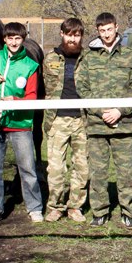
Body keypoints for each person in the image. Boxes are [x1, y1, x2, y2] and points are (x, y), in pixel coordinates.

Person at [76, 12, 132, 228]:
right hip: (97, 125)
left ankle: (129, 212)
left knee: (126, 173)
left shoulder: (130, 55)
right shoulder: (89, 57)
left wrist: (120, 110)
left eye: (109, 29)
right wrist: (100, 111)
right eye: (102, 30)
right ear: (97, 31)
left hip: (122, 124)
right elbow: (82, 88)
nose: (106, 34)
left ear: (117, 27)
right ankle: (100, 211)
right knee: (98, 172)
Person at [0, 22, 44, 225]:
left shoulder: (30, 65)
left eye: (18, 38)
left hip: (20, 123)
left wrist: (15, 101)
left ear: (23, 39)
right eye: (10, 38)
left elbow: (33, 96)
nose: (14, 42)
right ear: (4, 40)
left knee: (27, 168)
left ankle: (34, 207)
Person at [42, 18, 89, 223]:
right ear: (62, 34)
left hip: (82, 120)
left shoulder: (88, 58)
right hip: (57, 120)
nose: (72, 39)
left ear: (81, 36)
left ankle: (75, 207)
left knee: (81, 167)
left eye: (76, 35)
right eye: (69, 34)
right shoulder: (50, 58)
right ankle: (55, 206)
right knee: (56, 168)